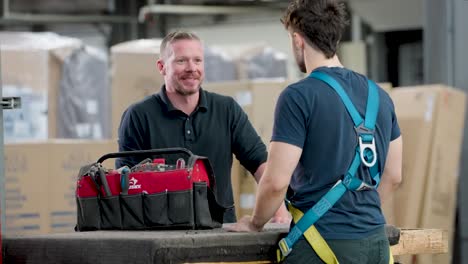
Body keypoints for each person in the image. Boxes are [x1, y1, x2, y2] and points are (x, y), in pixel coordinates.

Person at [226, 0, 403, 263]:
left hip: (322, 244)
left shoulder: (298, 96)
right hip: (375, 243)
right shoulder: (380, 96)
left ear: (298, 40)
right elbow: (394, 175)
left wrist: (255, 223)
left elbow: (275, 182)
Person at [116, 30, 290, 224]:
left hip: (220, 232)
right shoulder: (138, 116)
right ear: (162, 67)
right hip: (160, 234)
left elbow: (259, 163)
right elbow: (125, 183)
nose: (192, 68)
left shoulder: (227, 110)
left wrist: (279, 212)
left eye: (197, 60)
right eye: (181, 61)